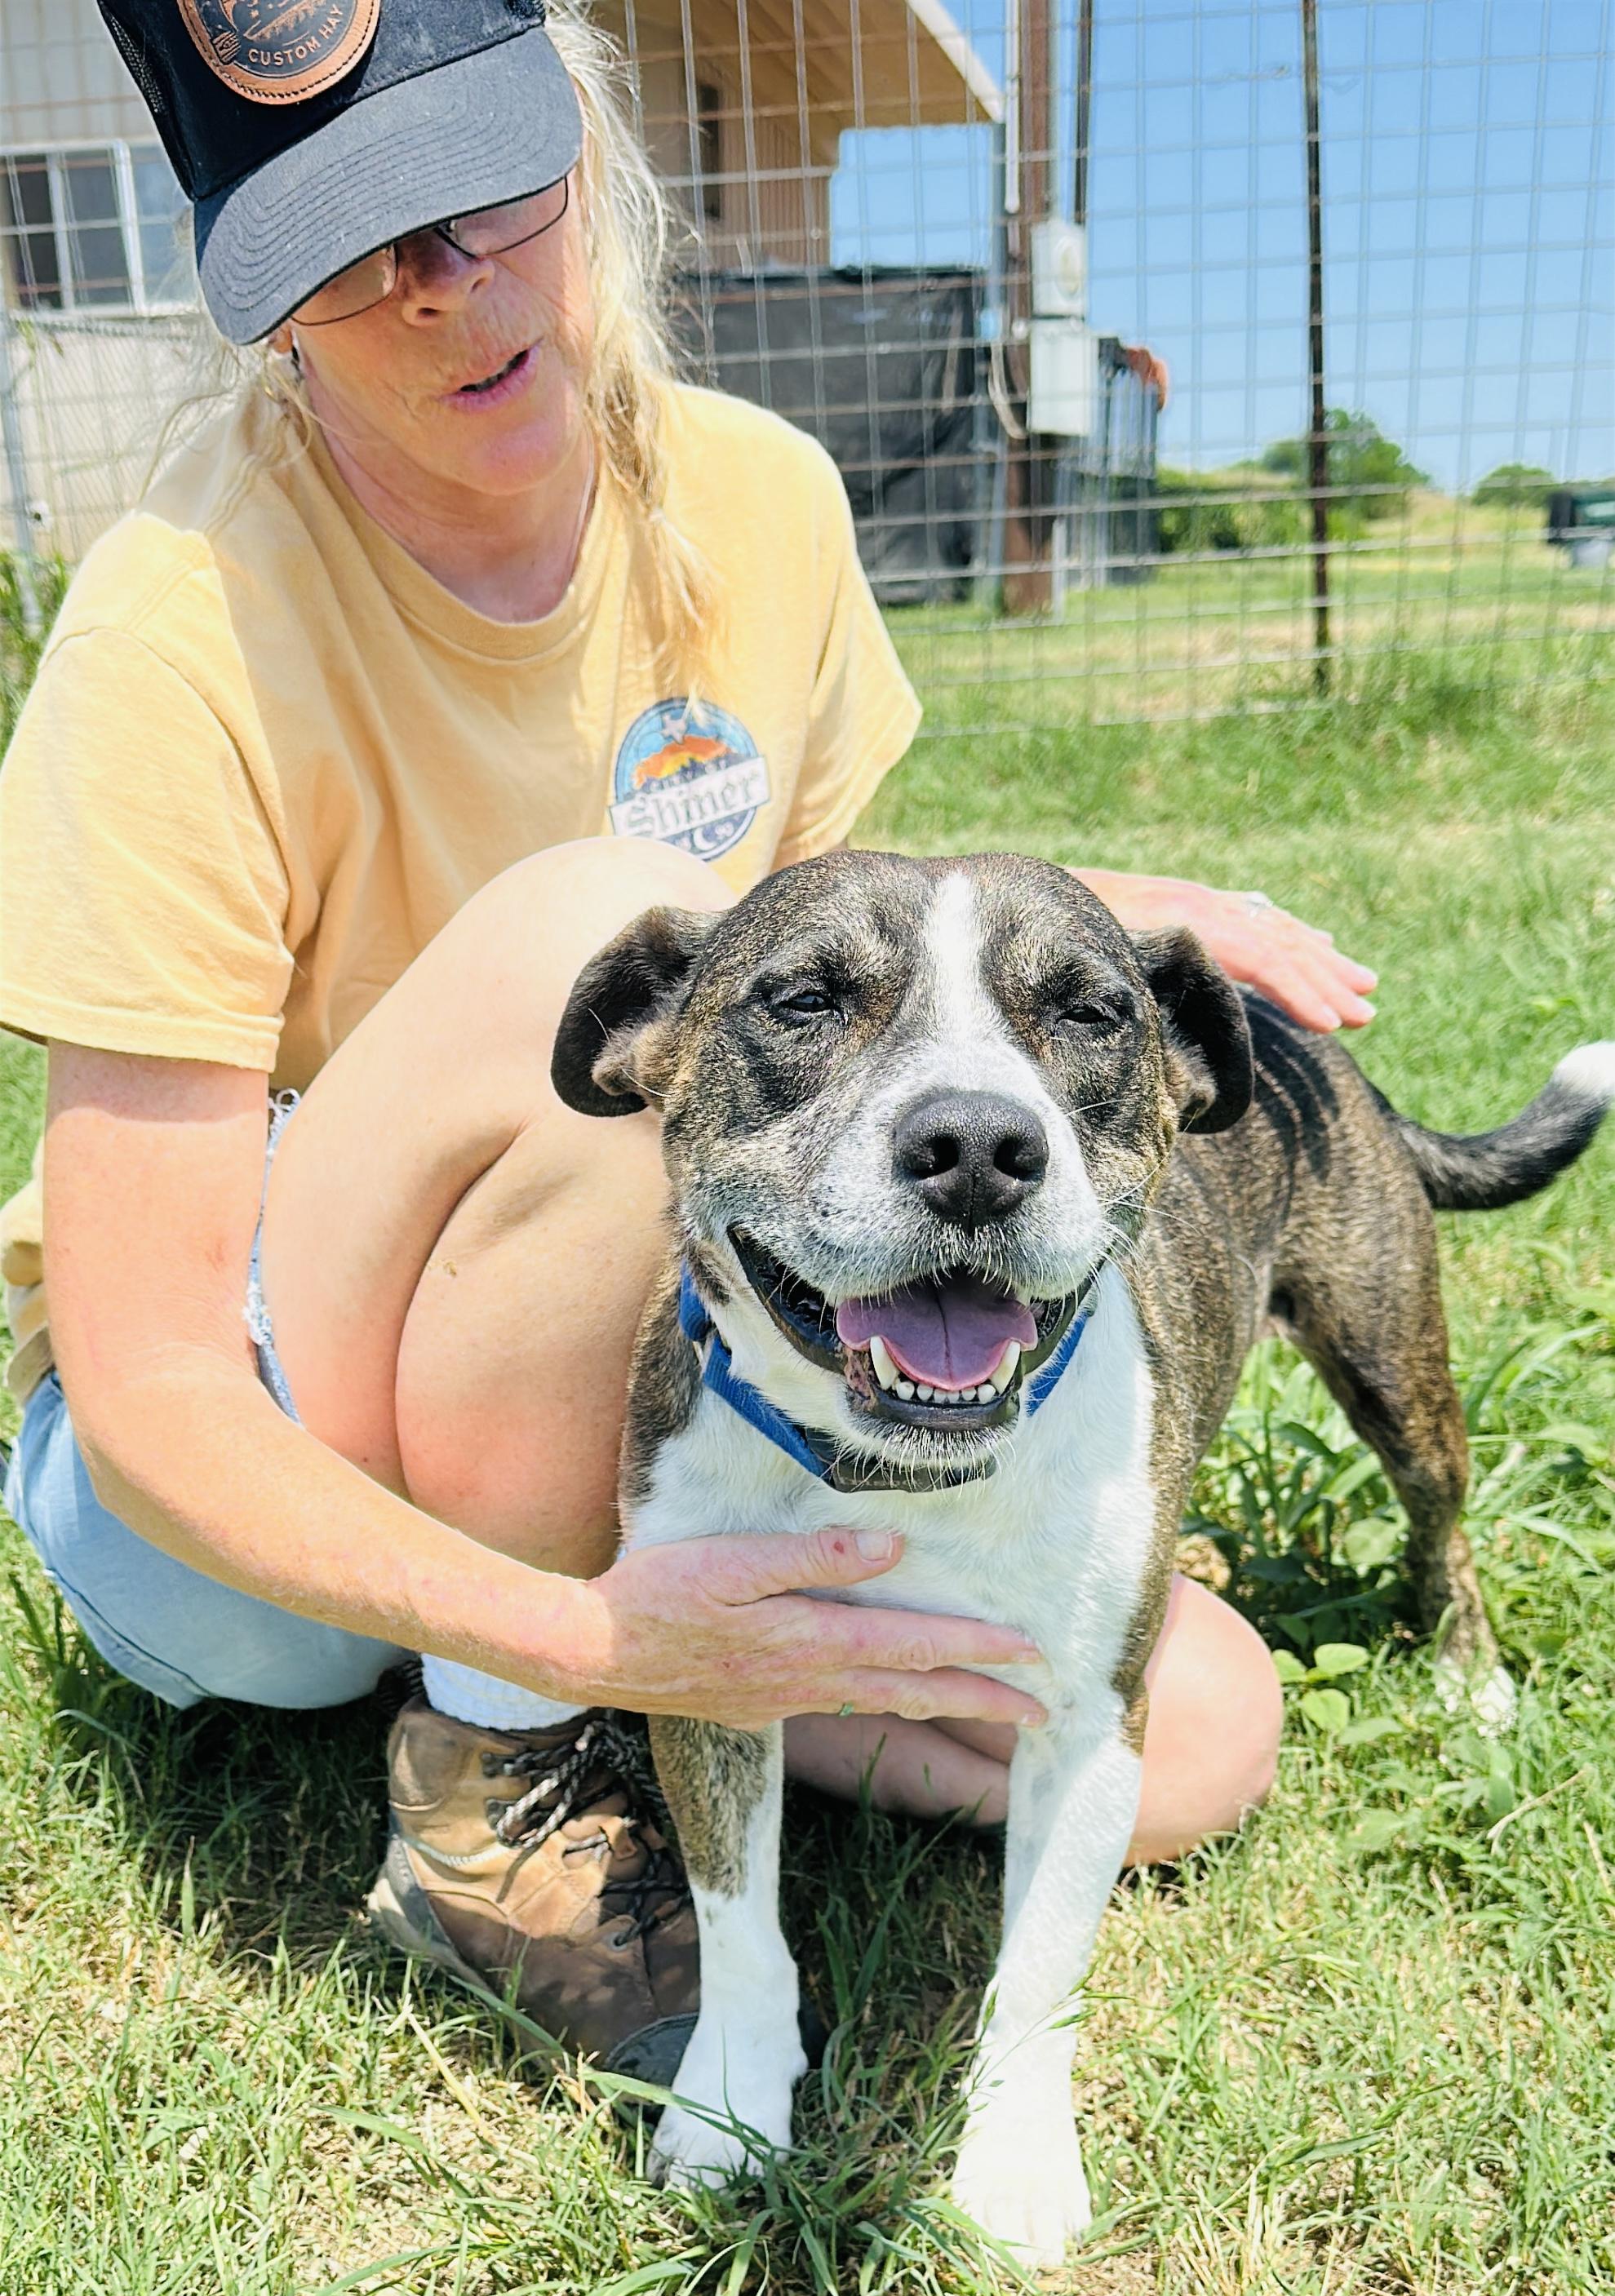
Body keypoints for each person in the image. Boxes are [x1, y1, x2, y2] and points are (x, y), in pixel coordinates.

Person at [0, 0, 1375, 2081]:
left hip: (588, 1408)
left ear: (587, 140)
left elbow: (845, 1016)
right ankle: (498, 1772)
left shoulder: (761, 503)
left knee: (1200, 1733)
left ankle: (721, 1672)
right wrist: (585, 1640)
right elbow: (154, 1389)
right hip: (241, 1520)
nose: (448, 287)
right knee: (612, 931)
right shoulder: (176, 616)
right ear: (258, 301)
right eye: (349, 247)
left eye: (484, 191)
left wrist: (1132, 918)